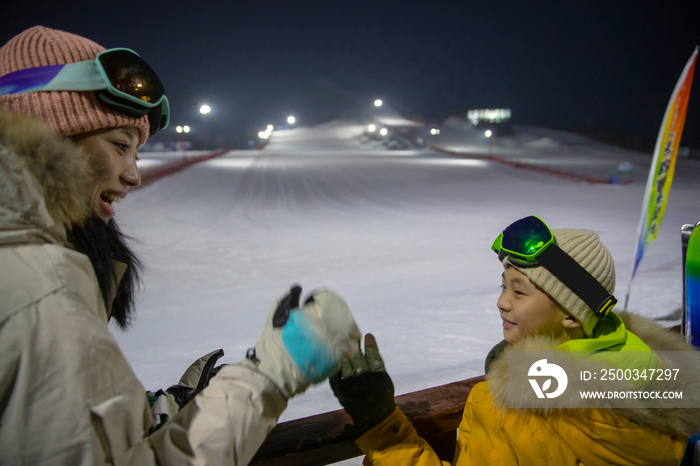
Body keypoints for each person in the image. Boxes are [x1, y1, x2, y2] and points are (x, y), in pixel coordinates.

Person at [0, 26, 362, 465]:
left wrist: (158, 412)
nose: (134, 176)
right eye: (120, 146)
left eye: (136, 153)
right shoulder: (40, 295)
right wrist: (273, 374)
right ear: (45, 136)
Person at [331, 216, 700, 465]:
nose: (501, 301)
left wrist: (383, 429)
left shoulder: (518, 414)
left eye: (519, 292)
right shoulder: (649, 380)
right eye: (503, 285)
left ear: (572, 315)